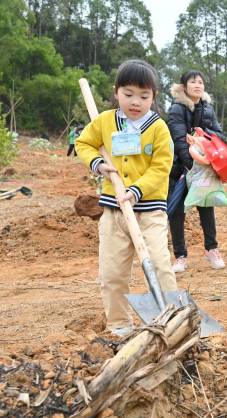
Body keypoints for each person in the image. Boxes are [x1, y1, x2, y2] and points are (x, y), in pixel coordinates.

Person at [75, 59, 178, 336]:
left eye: (144, 96)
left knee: (159, 264)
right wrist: (98, 163)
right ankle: (119, 324)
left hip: (150, 211)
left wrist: (136, 190)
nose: (136, 102)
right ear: (116, 92)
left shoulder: (158, 128)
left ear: (153, 97)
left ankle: (172, 318)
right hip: (113, 212)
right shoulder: (105, 122)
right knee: (112, 273)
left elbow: (161, 167)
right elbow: (83, 143)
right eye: (128, 94)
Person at [167, 70, 226, 272]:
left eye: (200, 82)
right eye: (193, 82)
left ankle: (212, 250)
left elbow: (218, 134)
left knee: (206, 205)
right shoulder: (176, 109)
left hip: (203, 165)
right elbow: (178, 139)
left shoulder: (207, 108)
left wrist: (203, 136)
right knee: (175, 211)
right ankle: (180, 255)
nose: (198, 85)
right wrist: (191, 164)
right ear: (183, 87)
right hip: (180, 168)